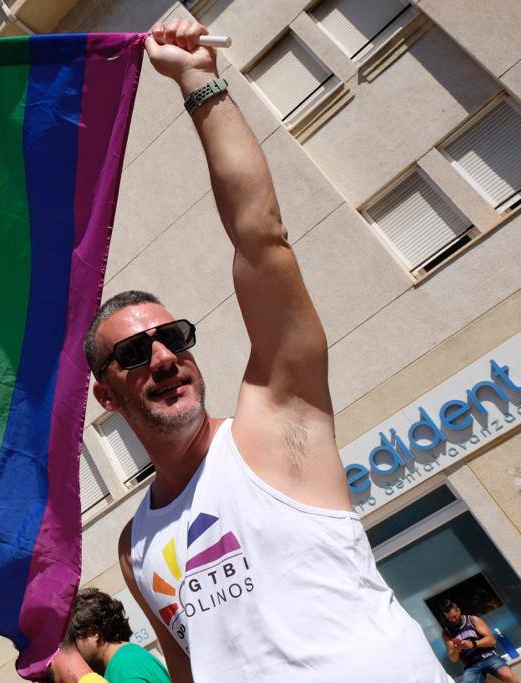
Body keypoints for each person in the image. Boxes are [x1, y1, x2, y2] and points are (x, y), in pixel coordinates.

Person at [80, 17, 453, 682]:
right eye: (134, 351)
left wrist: (198, 81)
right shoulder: (135, 545)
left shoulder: (277, 424)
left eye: (174, 337)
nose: (163, 355)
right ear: (104, 393)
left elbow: (262, 237)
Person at [68, 588, 169, 683]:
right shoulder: (130, 654)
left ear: (94, 633)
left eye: (73, 641)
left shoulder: (122, 671)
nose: (73, 650)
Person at [441, 600, 519, 683]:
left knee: (508, 675)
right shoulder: (447, 632)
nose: (453, 620)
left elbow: (492, 641)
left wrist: (473, 644)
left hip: (488, 657)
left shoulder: (472, 620)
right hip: (470, 665)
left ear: (459, 611)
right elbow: (453, 658)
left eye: (455, 616)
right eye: (449, 618)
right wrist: (457, 649)